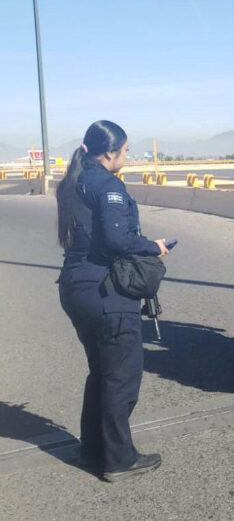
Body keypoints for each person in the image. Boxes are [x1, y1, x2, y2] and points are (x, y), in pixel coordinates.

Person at [56, 121, 169, 482]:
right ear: (109, 153)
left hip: (75, 286)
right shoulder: (107, 184)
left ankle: (93, 450)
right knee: (121, 377)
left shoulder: (73, 181)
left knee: (101, 373)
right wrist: (155, 247)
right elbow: (118, 239)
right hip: (105, 291)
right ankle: (119, 459)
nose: (127, 156)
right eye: (125, 151)